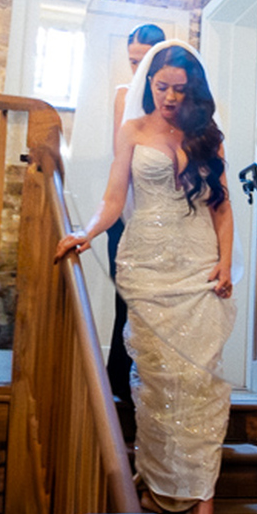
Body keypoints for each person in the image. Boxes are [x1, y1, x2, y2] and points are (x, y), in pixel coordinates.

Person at [56, 42, 234, 514]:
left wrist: (225, 262)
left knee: (201, 382)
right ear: (148, 85)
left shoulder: (207, 137)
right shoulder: (133, 131)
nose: (170, 98)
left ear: (193, 90)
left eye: (180, 89)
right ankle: (159, 481)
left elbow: (221, 208)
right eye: (162, 88)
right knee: (157, 380)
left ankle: (203, 504)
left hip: (199, 267)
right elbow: (114, 200)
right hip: (147, 268)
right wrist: (84, 232)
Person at [104, 23, 166, 441]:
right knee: (127, 301)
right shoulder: (124, 97)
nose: (136, 66)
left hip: (168, 221)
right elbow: (119, 162)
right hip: (127, 214)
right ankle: (117, 381)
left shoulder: (175, 103)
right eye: (132, 59)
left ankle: (157, 386)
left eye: (143, 58)